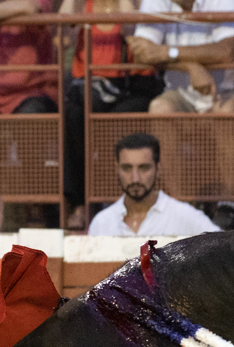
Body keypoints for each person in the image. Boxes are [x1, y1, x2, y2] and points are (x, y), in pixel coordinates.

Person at [60, 0, 164, 228]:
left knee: (116, 121)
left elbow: (132, 27)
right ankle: (81, 202)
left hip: (129, 86)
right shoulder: (82, 6)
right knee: (73, 116)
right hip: (89, 88)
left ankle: (111, 197)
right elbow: (63, 32)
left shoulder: (134, 4)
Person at [87, 133, 220, 236]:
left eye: (144, 168)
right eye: (127, 168)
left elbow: (223, 249)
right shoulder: (102, 223)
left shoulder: (184, 216)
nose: (135, 178)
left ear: (158, 169)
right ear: (117, 169)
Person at [129, 0, 234, 115]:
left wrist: (167, 51)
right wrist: (190, 67)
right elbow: (142, 54)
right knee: (160, 109)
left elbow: (226, 52)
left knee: (226, 111)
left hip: (226, 91)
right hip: (178, 93)